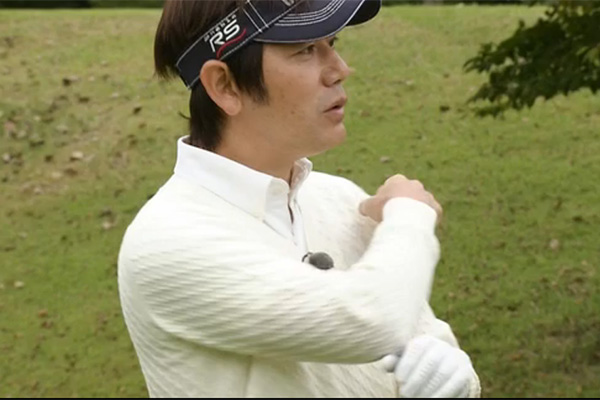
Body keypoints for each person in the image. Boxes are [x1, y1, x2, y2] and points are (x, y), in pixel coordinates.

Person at [118, 0, 481, 397]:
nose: (340, 69)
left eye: (332, 43)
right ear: (224, 85)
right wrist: (410, 214)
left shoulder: (339, 198)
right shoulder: (166, 242)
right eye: (305, 49)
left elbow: (414, 335)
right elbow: (376, 321)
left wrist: (455, 377)